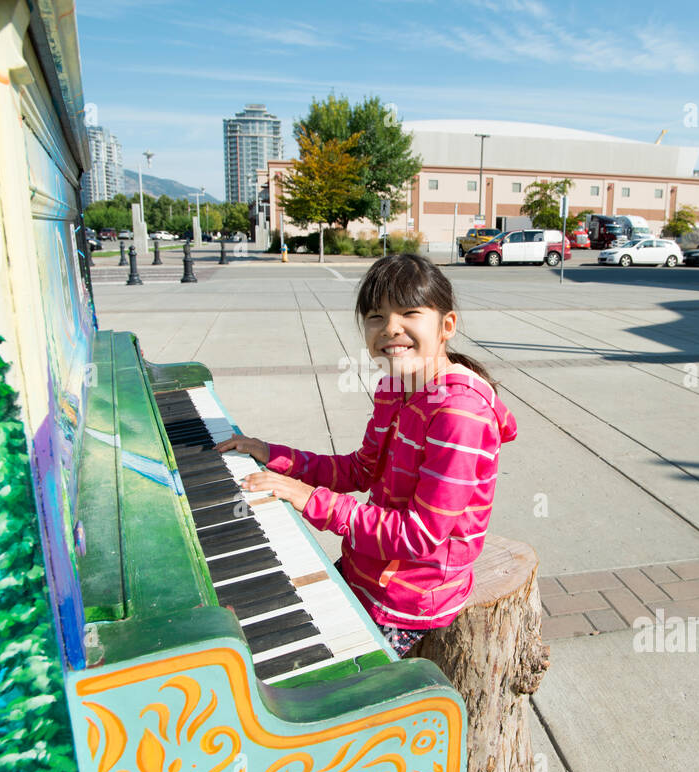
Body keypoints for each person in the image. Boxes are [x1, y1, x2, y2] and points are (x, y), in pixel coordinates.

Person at [213, 253, 518, 657]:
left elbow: (421, 535)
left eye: (409, 312)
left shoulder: (458, 413)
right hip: (367, 572)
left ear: (446, 326)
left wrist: (309, 498)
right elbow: (360, 470)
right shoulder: (395, 388)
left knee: (310, 677)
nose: (391, 328)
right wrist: (276, 456)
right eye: (376, 317)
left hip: (409, 601)